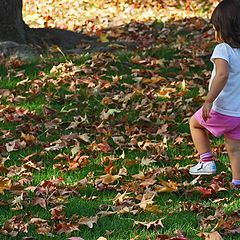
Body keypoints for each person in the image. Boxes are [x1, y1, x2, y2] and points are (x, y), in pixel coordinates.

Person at [189, 0, 240, 189]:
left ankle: (207, 161)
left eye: (216, 29)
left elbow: (222, 74)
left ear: (224, 30)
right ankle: (237, 182)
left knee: (195, 124)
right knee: (235, 148)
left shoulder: (223, 49)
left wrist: (208, 100)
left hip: (223, 109)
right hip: (238, 113)